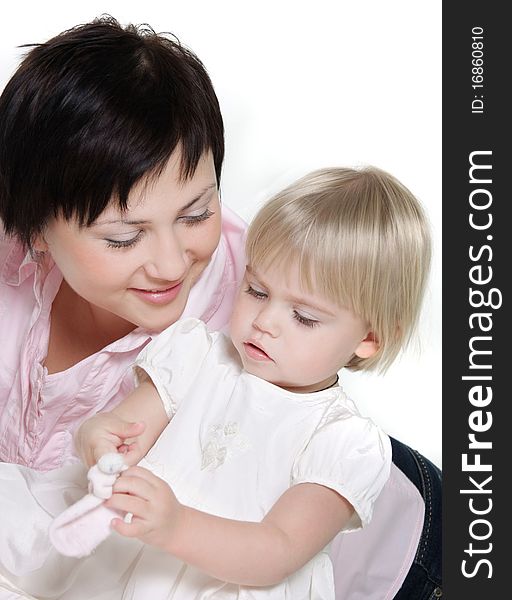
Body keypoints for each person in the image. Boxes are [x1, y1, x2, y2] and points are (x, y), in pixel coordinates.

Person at [0, 166, 431, 599]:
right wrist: (100, 441)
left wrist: (177, 525)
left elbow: (278, 550)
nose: (264, 322)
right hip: (126, 555)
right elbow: (125, 427)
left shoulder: (343, 440)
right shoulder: (200, 355)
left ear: (369, 338)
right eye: (257, 291)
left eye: (303, 317)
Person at [0, 16, 246, 472]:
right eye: (123, 238)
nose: (171, 266)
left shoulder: (263, 317)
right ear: (34, 228)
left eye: (196, 214)